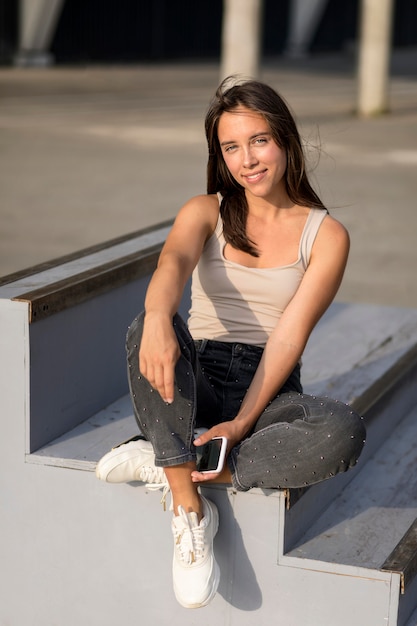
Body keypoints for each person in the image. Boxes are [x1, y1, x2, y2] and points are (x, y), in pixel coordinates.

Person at [95, 76, 366, 609]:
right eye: (231, 147)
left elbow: (288, 336)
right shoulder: (206, 210)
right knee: (144, 329)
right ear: (220, 155)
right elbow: (172, 262)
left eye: (259, 140)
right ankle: (189, 507)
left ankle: (172, 456)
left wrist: (242, 423)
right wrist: (155, 314)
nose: (248, 159)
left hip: (267, 389)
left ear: (285, 140)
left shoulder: (326, 235)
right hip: (195, 368)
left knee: (343, 430)